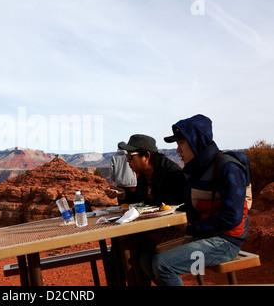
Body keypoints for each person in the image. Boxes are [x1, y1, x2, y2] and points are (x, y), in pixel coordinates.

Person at [140, 114, 250, 286]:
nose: (178, 150)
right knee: (146, 257)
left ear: (196, 141)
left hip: (226, 241)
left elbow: (232, 218)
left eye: (181, 143)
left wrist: (192, 228)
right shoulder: (196, 169)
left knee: (163, 264)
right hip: (204, 235)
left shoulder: (227, 167)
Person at [106, 134, 185, 206]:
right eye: (127, 156)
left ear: (147, 156)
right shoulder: (144, 173)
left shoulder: (172, 175)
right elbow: (139, 199)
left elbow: (173, 209)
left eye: (130, 156)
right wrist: (122, 194)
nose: (127, 160)